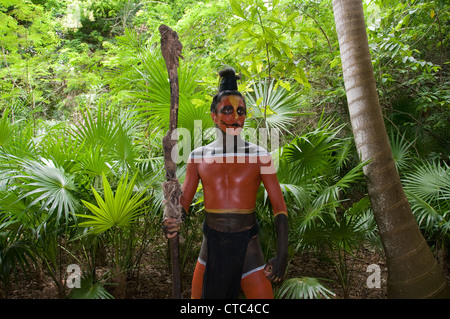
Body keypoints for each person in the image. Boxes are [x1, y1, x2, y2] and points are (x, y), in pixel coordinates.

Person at [163, 67, 288, 299]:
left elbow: (279, 208)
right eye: (227, 110)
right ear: (214, 115)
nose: (235, 117)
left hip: (249, 248)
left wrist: (282, 255)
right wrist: (172, 217)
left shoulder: (261, 156)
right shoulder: (198, 157)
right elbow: (184, 206)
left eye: (240, 111)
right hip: (211, 248)